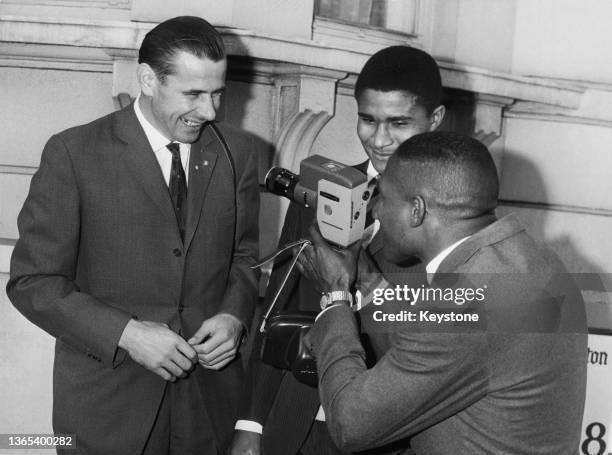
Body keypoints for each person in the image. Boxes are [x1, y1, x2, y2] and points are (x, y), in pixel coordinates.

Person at [7, 16, 260, 454]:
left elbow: (246, 255)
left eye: (218, 93)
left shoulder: (237, 152)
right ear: (147, 79)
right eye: (194, 94)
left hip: (209, 409)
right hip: (106, 412)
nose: (211, 112)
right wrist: (128, 333)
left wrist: (234, 317)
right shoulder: (73, 153)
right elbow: (33, 282)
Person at [297, 131, 587, 454]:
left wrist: (334, 295)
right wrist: (365, 278)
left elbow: (349, 423)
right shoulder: (535, 261)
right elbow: (437, 357)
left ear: (416, 211)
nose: (375, 210)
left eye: (381, 196)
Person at [230, 46, 445, 455]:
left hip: (388, 435)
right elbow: (277, 305)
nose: (379, 139)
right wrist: (251, 421)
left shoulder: (454, 216)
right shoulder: (318, 190)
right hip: (295, 421)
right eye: (368, 120)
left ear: (434, 120)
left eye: (398, 123)